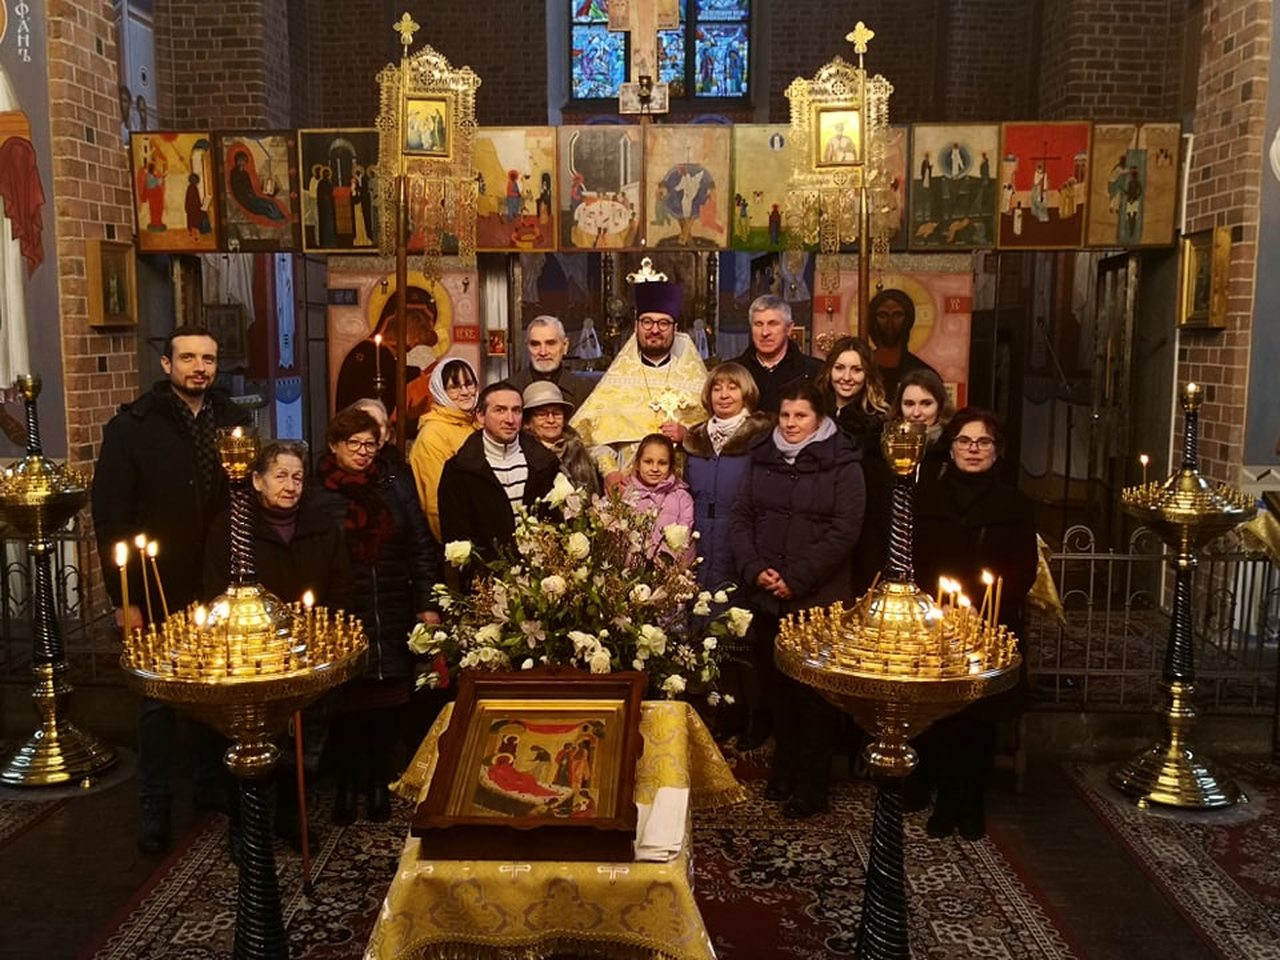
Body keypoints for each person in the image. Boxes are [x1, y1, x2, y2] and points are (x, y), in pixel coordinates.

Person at [91, 325, 254, 853]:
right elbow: (111, 516)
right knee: (159, 701)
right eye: (188, 358)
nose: (199, 367)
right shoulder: (134, 426)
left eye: (208, 358)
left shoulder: (232, 418)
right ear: (167, 365)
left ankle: (209, 786)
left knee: (217, 689)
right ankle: (154, 806)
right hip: (157, 583)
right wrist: (125, 600)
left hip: (218, 581)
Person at [203, 440, 352, 850]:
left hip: (305, 650)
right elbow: (216, 591)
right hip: (253, 654)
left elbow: (340, 582)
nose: (290, 486)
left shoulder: (320, 525)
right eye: (281, 476)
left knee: (300, 743)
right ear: (257, 480)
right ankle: (245, 828)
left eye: (297, 477)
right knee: (252, 744)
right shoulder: (232, 529)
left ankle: (291, 816)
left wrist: (322, 631)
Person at [730, 381, 865, 818]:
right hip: (769, 595)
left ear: (819, 418)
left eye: (800, 416)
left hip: (817, 599)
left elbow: (845, 530)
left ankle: (812, 786)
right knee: (777, 692)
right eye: (785, 415)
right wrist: (756, 569)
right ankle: (783, 771)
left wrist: (796, 578)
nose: (790, 424)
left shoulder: (843, 463)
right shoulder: (761, 456)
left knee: (814, 698)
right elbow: (742, 516)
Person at [912, 409, 1038, 840]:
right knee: (942, 717)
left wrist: (979, 610)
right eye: (964, 441)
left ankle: (971, 803)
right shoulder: (926, 497)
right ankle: (945, 800)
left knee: (980, 719)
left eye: (983, 442)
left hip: (990, 625)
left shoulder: (1015, 504)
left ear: (996, 451)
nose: (973, 449)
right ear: (950, 448)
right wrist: (937, 608)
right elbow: (914, 561)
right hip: (935, 625)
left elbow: (1023, 569)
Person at [314, 406, 443, 825]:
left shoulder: (393, 483)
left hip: (391, 605)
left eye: (370, 444)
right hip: (342, 611)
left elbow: (420, 545)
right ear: (334, 446)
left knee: (387, 703)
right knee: (347, 703)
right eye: (353, 444)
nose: (362, 452)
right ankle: (347, 785)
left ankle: (378, 782)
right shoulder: (318, 492)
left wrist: (427, 603)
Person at [570, 258, 706, 488]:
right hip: (627, 489)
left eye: (663, 323)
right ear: (636, 326)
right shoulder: (618, 380)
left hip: (682, 490)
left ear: (675, 328)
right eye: (647, 322)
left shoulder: (695, 379)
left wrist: (688, 435)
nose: (654, 330)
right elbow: (589, 435)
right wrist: (609, 470)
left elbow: (718, 435)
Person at [438, 381, 560, 565]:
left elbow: (556, 524)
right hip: (487, 574)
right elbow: (456, 535)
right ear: (480, 416)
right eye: (500, 410)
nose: (510, 419)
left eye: (516, 411)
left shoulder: (544, 462)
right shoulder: (459, 470)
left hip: (541, 572)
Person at [683, 362, 774, 596]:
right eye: (717, 388)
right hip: (699, 537)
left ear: (746, 393)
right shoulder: (695, 439)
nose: (724, 395)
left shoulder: (762, 438)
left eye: (732, 388)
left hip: (743, 540)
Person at [816, 336, 892, 592]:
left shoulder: (879, 424)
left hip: (864, 530)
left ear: (867, 375)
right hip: (817, 525)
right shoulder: (812, 414)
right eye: (840, 368)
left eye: (856, 369)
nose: (846, 377)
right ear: (829, 371)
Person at [408, 358, 480, 541]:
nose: (465, 392)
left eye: (469, 384)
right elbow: (436, 502)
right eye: (454, 387)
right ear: (441, 391)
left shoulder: (474, 423)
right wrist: (456, 546)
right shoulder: (433, 434)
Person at [734, 294, 823, 414]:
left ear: (789, 328)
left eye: (773, 324)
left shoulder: (814, 372)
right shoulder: (733, 372)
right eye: (758, 324)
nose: (765, 332)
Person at [620, 433, 695, 565]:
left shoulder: (682, 498)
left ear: (671, 466)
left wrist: (665, 565)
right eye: (648, 462)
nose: (655, 469)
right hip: (630, 571)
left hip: (667, 569)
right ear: (637, 464)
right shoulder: (625, 495)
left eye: (662, 463)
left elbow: (684, 537)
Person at [521, 381, 599, 497]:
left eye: (557, 413)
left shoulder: (578, 449)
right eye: (542, 415)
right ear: (527, 422)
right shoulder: (522, 454)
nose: (551, 420)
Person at [508, 315, 596, 409]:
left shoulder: (587, 392)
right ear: (527, 347)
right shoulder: (509, 391)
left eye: (550, 343)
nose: (543, 352)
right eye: (535, 344)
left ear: (565, 346)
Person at [867, 288, 939, 401]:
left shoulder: (921, 372)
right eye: (882, 316)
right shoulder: (862, 368)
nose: (890, 323)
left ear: (908, 320)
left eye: (897, 315)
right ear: (873, 321)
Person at [895, 367, 953, 482]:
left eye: (926, 404)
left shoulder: (952, 448)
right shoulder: (884, 449)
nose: (916, 413)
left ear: (940, 406)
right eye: (909, 404)